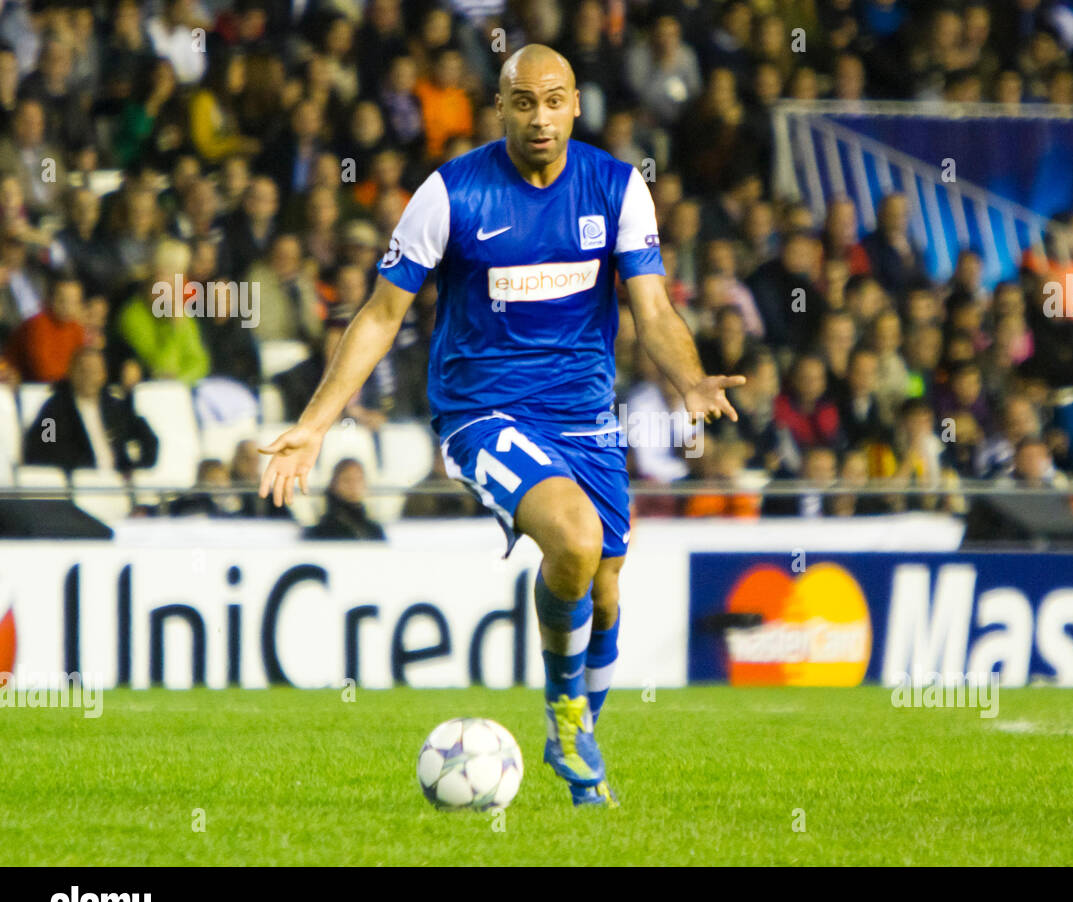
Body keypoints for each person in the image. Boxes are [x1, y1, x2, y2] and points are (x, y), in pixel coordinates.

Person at [258, 45, 741, 808]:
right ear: (501, 107)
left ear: (576, 105)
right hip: (482, 411)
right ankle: (564, 709)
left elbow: (651, 308)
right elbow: (383, 315)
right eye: (524, 102)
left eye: (554, 101)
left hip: (586, 416)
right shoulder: (450, 195)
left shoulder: (617, 188)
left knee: (606, 591)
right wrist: (316, 425)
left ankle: (576, 747)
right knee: (576, 539)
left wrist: (687, 378)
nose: (540, 117)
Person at [22, 346, 159, 475]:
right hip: (76, 485)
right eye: (82, 370)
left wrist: (136, 467)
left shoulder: (116, 408)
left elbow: (149, 439)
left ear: (103, 375)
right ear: (71, 372)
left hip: (117, 482)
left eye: (94, 371)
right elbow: (44, 445)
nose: (88, 376)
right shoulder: (53, 411)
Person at [304, 458, 386, 540]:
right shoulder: (320, 531)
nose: (353, 486)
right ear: (334, 484)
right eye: (346, 480)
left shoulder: (374, 531)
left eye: (359, 479)